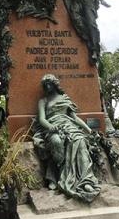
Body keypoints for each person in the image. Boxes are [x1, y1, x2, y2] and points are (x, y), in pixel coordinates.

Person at [33, 74, 101, 203]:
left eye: (49, 83)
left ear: (54, 85)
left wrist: (89, 130)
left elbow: (75, 118)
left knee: (80, 142)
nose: (47, 87)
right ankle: (58, 176)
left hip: (69, 126)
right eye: (45, 84)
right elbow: (42, 119)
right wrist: (51, 127)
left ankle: (86, 180)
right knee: (56, 141)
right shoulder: (43, 101)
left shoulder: (64, 99)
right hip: (52, 128)